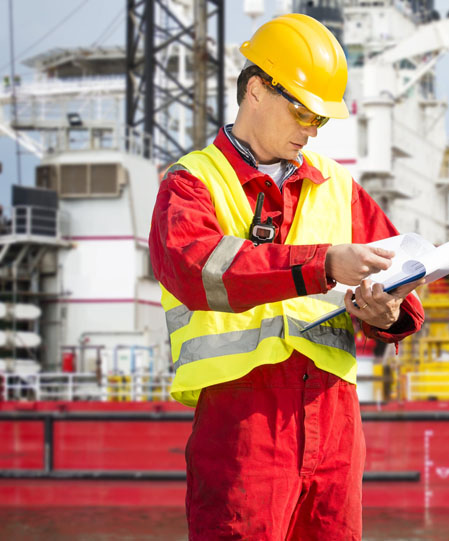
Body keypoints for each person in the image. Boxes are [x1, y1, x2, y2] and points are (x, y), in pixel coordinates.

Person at [148, 13, 425, 540]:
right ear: (256, 89)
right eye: (303, 112)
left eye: (321, 121)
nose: (311, 130)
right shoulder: (191, 183)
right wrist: (322, 265)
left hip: (335, 419)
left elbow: (404, 292)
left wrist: (387, 312)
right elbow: (196, 268)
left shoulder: (338, 187)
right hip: (242, 419)